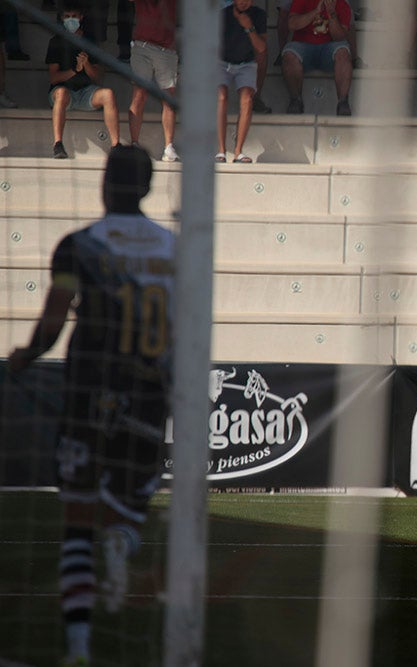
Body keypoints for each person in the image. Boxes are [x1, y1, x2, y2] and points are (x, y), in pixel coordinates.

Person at [7, 145, 175, 667]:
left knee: (77, 519)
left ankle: (78, 646)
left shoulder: (79, 246)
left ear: (105, 184)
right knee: (125, 511)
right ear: (147, 189)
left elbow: (54, 322)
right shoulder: (176, 249)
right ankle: (121, 547)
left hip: (87, 393)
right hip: (148, 395)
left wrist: (25, 356)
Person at [46, 1, 120, 159]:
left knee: (108, 94)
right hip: (64, 94)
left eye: (74, 16)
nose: (71, 19)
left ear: (81, 17)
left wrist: (86, 64)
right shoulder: (55, 42)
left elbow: (98, 78)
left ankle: (116, 145)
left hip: (87, 92)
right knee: (61, 93)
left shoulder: (91, 42)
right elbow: (53, 78)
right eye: (67, 17)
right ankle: (58, 144)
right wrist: (75, 70)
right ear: (61, 18)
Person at [282, 0, 355, 116]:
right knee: (289, 52)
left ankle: (343, 102)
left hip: (328, 50)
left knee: (343, 51)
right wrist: (315, 11)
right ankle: (296, 100)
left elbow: (340, 37)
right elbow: (292, 24)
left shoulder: (342, 4)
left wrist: (331, 14)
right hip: (303, 47)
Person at [128, 0, 180, 162]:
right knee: (139, 95)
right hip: (142, 46)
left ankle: (169, 147)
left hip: (166, 50)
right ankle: (134, 144)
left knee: (168, 98)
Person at [218, 0, 267, 163]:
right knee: (221, 97)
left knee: (247, 99)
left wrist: (248, 26)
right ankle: (221, 150)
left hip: (246, 63)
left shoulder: (259, 15)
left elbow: (261, 48)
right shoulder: (222, 15)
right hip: (222, 62)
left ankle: (238, 151)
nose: (244, 2)